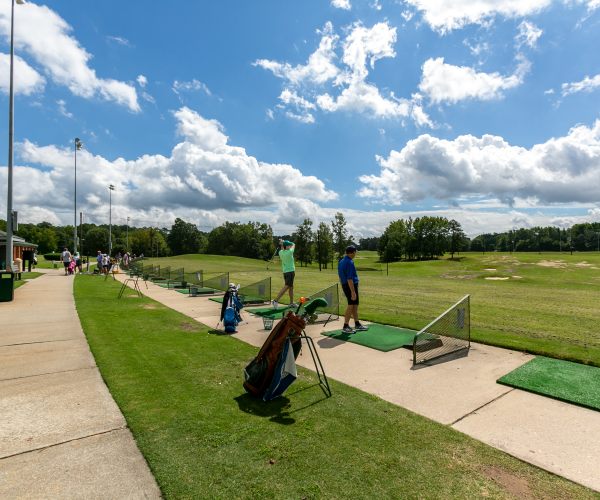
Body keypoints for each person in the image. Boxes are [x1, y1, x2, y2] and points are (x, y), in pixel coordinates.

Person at [338, 245, 368, 334]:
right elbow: (349, 279)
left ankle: (357, 324)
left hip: (345, 286)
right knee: (351, 306)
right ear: (353, 252)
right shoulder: (350, 263)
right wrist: (353, 292)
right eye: (355, 252)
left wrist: (343, 288)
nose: (355, 254)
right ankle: (345, 326)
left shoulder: (341, 261)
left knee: (354, 305)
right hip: (351, 286)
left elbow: (340, 277)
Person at [271, 239, 298, 310]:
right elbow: (294, 244)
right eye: (288, 245)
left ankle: (292, 303)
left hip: (285, 272)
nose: (289, 246)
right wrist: (284, 243)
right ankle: (275, 300)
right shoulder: (290, 252)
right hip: (290, 272)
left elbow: (282, 249)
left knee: (291, 287)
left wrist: (282, 244)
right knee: (287, 286)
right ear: (287, 246)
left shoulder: (280, 252)